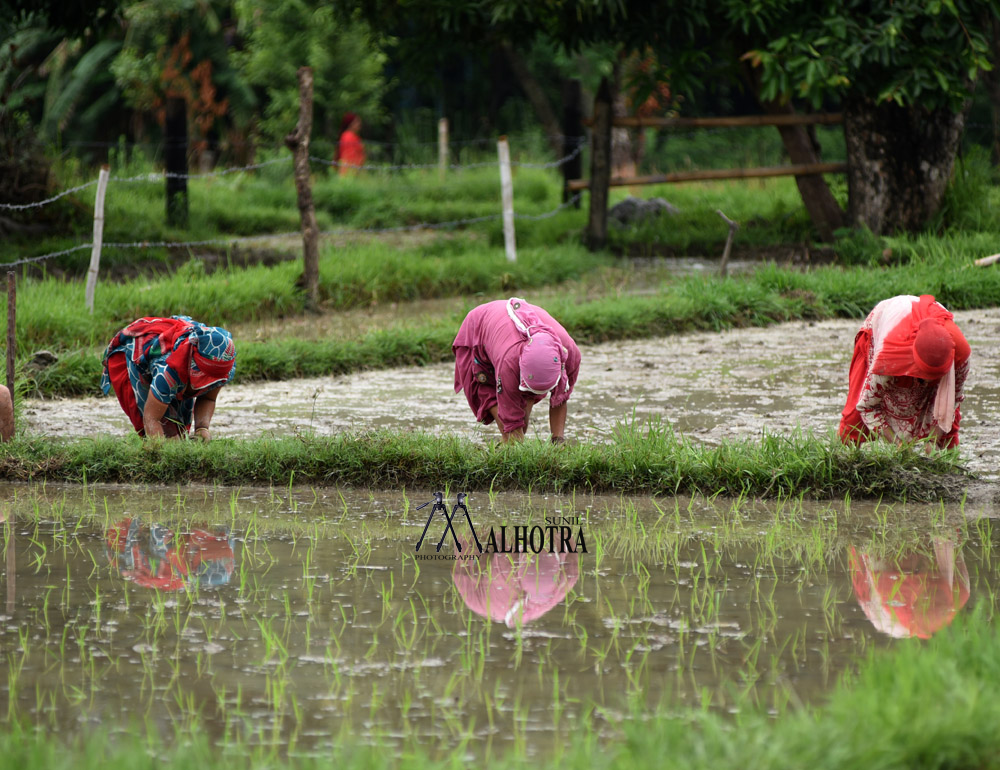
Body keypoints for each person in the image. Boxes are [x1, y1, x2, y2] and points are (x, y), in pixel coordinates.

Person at [839, 294, 970, 449]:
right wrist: (898, 444)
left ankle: (950, 466)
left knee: (947, 418)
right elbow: (867, 406)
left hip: (928, 334)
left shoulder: (961, 353)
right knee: (854, 418)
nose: (928, 382)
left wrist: (932, 441)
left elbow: (952, 401)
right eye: (926, 376)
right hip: (888, 324)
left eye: (934, 377)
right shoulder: (889, 354)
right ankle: (843, 459)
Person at [453, 297, 581, 443]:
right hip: (482, 324)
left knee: (523, 420)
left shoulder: (569, 354)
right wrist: (513, 435)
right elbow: (511, 416)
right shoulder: (509, 361)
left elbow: (560, 398)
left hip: (513, 332)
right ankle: (508, 449)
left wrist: (558, 441)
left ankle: (509, 447)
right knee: (513, 431)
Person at [101, 315, 236, 441]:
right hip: (135, 359)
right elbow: (151, 419)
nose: (210, 382)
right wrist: (162, 450)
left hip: (179, 374)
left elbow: (208, 397)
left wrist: (202, 428)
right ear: (194, 364)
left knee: (181, 434)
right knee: (166, 436)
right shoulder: (169, 369)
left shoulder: (223, 364)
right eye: (206, 376)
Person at [849, 537, 970, 639]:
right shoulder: (961, 589)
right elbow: (952, 538)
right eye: (935, 580)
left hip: (876, 593)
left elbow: (869, 546)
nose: (931, 576)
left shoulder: (891, 594)